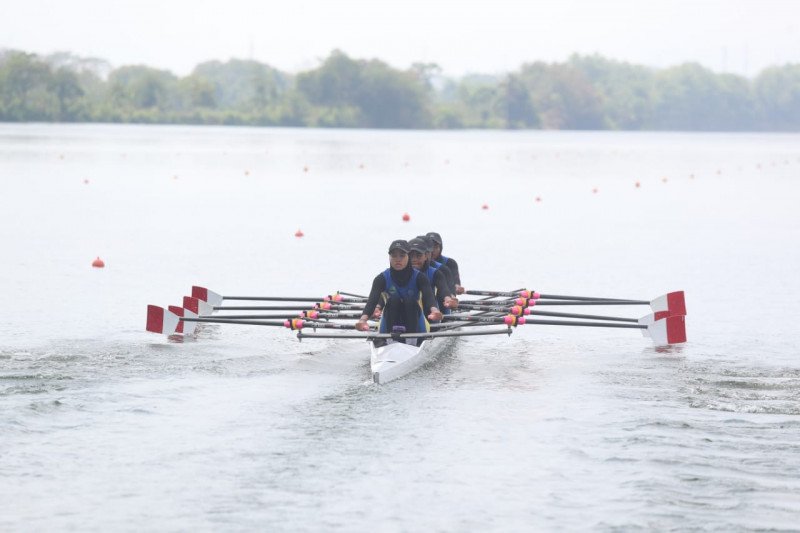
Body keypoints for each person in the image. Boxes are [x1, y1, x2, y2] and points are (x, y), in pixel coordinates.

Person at [356, 240, 442, 343]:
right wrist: (362, 320)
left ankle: (412, 340)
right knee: (393, 300)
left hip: (416, 326)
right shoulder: (381, 278)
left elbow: (429, 297)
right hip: (390, 323)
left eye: (402, 256)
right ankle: (389, 340)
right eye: (394, 256)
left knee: (409, 301)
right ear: (389, 257)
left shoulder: (420, 277)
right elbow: (371, 302)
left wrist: (435, 311)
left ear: (408, 257)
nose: (398, 260)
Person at [407, 237, 458, 315]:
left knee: (438, 295)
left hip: (431, 311)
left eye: (418, 255)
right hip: (408, 311)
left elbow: (444, 289)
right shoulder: (394, 273)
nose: (414, 259)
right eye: (411, 256)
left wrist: (449, 298)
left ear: (426, 255)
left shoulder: (439, 271)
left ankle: (444, 318)